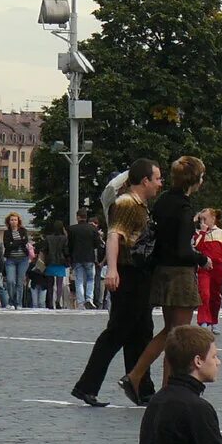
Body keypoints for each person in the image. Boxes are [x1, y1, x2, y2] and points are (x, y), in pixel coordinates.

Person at [71, 158, 164, 407]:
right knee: (118, 332)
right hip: (128, 273)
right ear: (144, 181)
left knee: (141, 332)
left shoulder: (140, 204)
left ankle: (141, 388)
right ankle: (86, 386)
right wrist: (112, 269)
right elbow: (114, 235)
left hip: (139, 274)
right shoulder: (126, 203)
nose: (160, 183)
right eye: (157, 178)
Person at [121, 156, 209, 404]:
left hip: (161, 271)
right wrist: (201, 259)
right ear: (194, 179)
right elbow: (182, 250)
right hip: (179, 275)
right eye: (201, 176)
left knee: (171, 333)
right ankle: (138, 376)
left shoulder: (163, 202)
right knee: (178, 336)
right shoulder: (184, 208)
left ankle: (161, 386)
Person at [194, 208, 222, 334]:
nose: (202, 222)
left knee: (215, 297)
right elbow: (198, 247)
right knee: (205, 294)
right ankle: (203, 321)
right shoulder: (198, 233)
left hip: (218, 268)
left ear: (213, 219)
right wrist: (203, 233)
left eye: (205, 219)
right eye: (200, 219)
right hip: (204, 268)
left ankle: (214, 321)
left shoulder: (221, 233)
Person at [67, 208, 103, 310]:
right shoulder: (93, 229)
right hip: (89, 258)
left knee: (79, 280)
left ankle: (80, 302)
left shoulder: (72, 229)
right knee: (90, 279)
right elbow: (97, 244)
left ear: (78, 217)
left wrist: (70, 256)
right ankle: (89, 299)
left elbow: (70, 245)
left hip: (77, 258)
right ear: (86, 217)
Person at [3, 212, 31, 310]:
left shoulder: (23, 231)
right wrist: (18, 242)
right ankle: (11, 300)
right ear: (9, 221)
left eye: (15, 219)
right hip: (11, 259)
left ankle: (18, 303)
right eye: (12, 220)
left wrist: (14, 243)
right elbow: (8, 246)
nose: (13, 221)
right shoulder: (6, 233)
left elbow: (25, 241)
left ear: (18, 221)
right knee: (11, 281)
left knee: (20, 282)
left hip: (23, 259)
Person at [40, 221, 70, 309]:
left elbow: (44, 250)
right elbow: (66, 251)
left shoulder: (48, 238)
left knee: (50, 284)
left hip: (50, 262)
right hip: (61, 263)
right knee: (59, 284)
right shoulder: (64, 238)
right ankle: (58, 302)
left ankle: (50, 303)